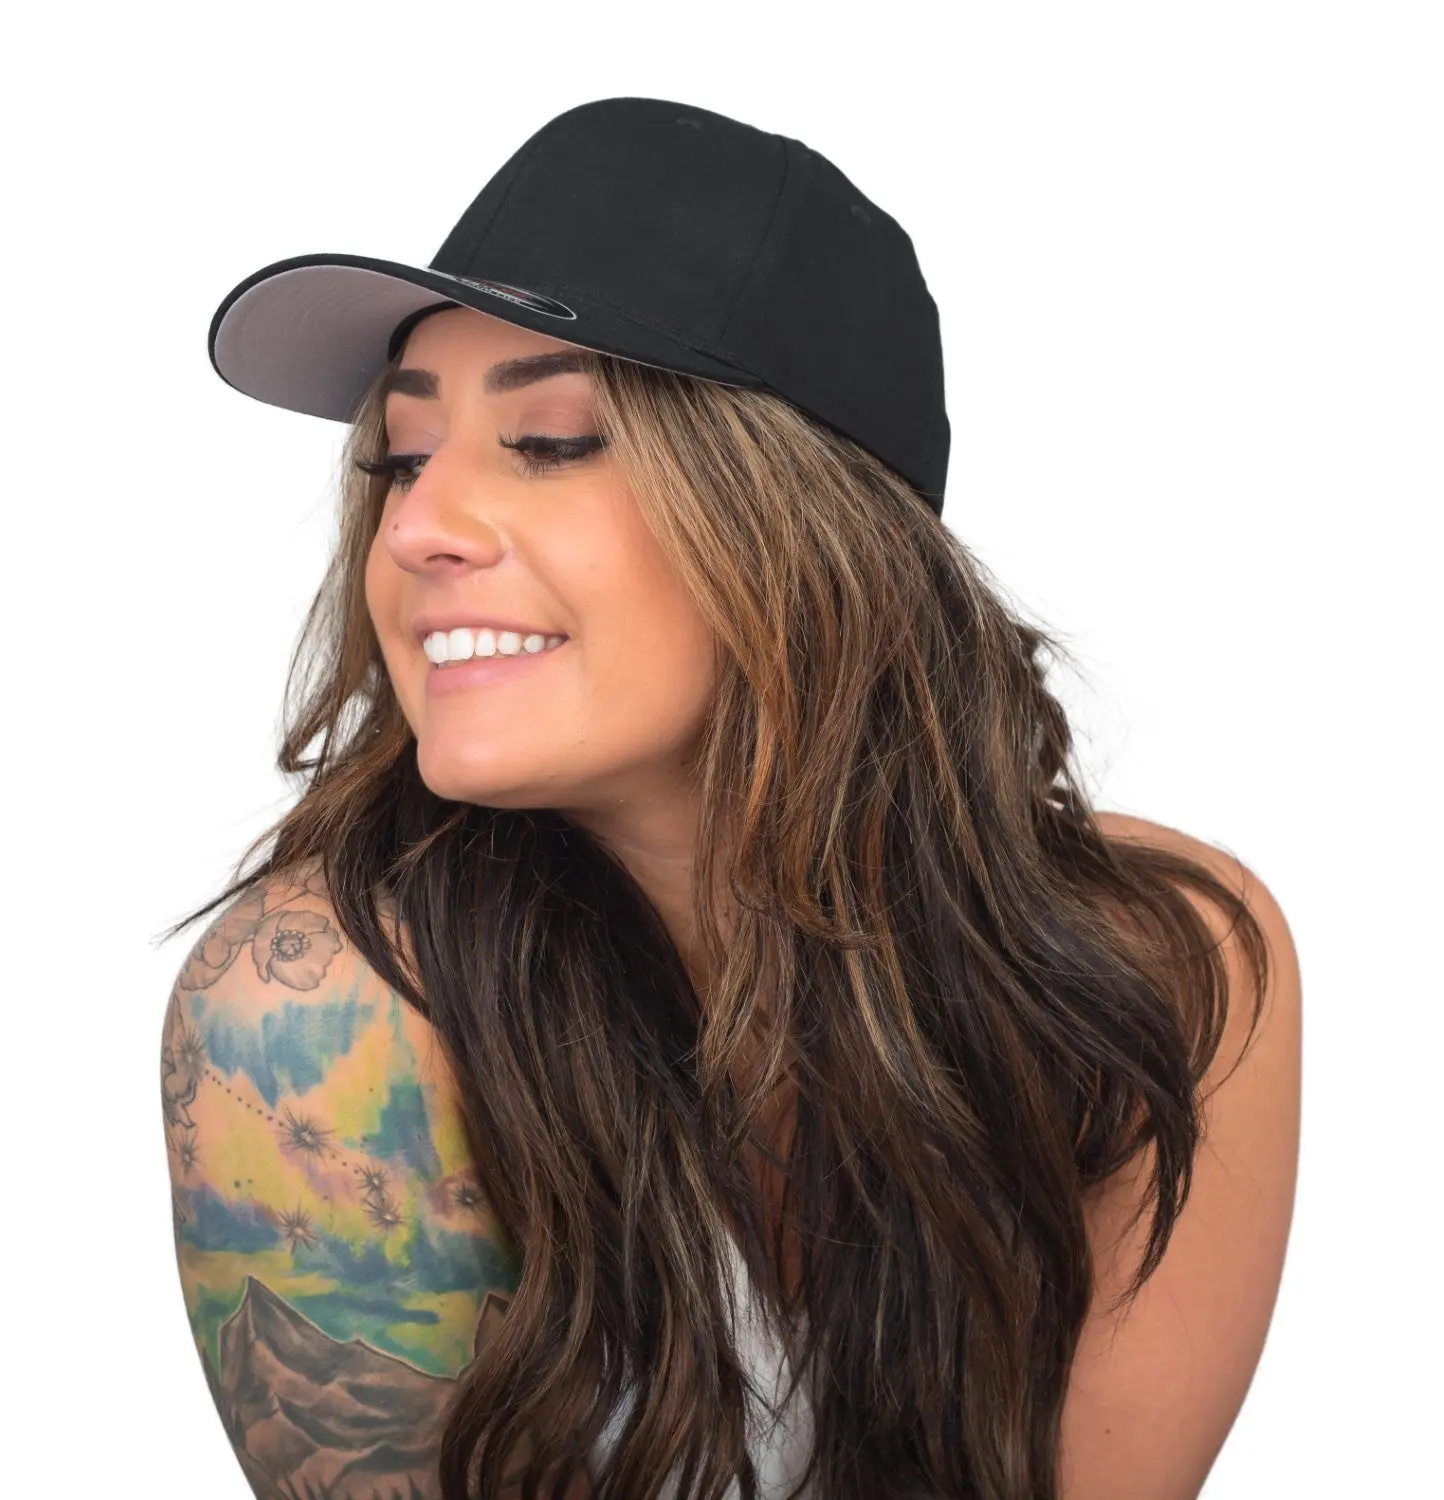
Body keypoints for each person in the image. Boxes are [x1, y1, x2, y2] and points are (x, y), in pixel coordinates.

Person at [158, 97, 1301, 1500]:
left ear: (803, 520)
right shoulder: (312, 1016)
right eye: (403, 456)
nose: (414, 527)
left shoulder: (1164, 963)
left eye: (551, 441)